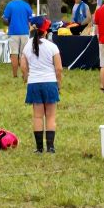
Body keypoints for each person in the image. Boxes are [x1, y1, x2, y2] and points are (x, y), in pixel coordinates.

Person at [21, 15, 62, 153]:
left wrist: (26, 78)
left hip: (34, 83)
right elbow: (59, 68)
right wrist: (59, 84)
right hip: (50, 82)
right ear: (45, 31)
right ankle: (50, 147)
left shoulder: (27, 46)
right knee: (50, 116)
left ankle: (39, 148)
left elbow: (24, 66)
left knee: (37, 116)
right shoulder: (52, 46)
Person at [2, 0, 34, 79]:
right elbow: (30, 20)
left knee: (14, 53)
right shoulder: (26, 5)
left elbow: (5, 19)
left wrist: (6, 21)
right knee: (24, 54)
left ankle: (15, 75)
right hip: (25, 32)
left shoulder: (10, 5)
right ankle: (25, 75)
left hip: (13, 32)